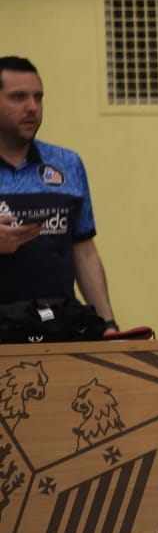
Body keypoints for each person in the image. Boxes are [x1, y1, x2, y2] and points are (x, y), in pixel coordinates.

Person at [0, 56, 118, 331]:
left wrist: (108, 323)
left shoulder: (67, 164)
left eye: (38, 97)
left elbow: (84, 251)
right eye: (18, 97)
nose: (32, 107)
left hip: (60, 328)